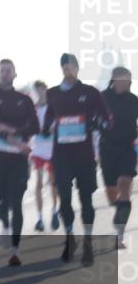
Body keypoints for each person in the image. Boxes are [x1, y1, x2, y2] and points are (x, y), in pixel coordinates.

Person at [41, 53, 112, 266]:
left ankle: (88, 242)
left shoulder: (90, 93)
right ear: (61, 69)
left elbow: (106, 118)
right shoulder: (52, 93)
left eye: (70, 67)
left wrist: (99, 123)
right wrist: (47, 129)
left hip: (84, 156)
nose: (67, 70)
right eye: (64, 67)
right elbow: (46, 123)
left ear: (77, 68)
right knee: (64, 197)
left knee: (86, 200)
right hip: (61, 155)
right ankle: (70, 237)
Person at [0, 59, 39, 266]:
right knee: (1, 198)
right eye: (2, 70)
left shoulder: (25, 100)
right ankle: (4, 222)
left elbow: (35, 127)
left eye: (8, 71)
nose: (4, 73)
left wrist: (14, 131)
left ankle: (15, 249)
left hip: (18, 160)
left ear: (15, 74)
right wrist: (17, 141)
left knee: (17, 201)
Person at [99, 66, 137, 250]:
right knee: (111, 194)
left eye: (129, 81)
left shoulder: (133, 100)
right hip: (107, 149)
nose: (126, 84)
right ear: (114, 80)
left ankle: (120, 235)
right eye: (123, 80)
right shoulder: (102, 98)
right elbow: (92, 119)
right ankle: (119, 208)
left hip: (127, 148)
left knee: (124, 184)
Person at [30, 80, 59, 232]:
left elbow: (57, 127)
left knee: (54, 182)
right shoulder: (33, 108)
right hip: (38, 151)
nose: (40, 92)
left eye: (42, 89)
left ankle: (55, 210)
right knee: (39, 183)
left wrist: (50, 130)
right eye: (37, 90)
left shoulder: (52, 108)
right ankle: (40, 218)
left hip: (52, 150)